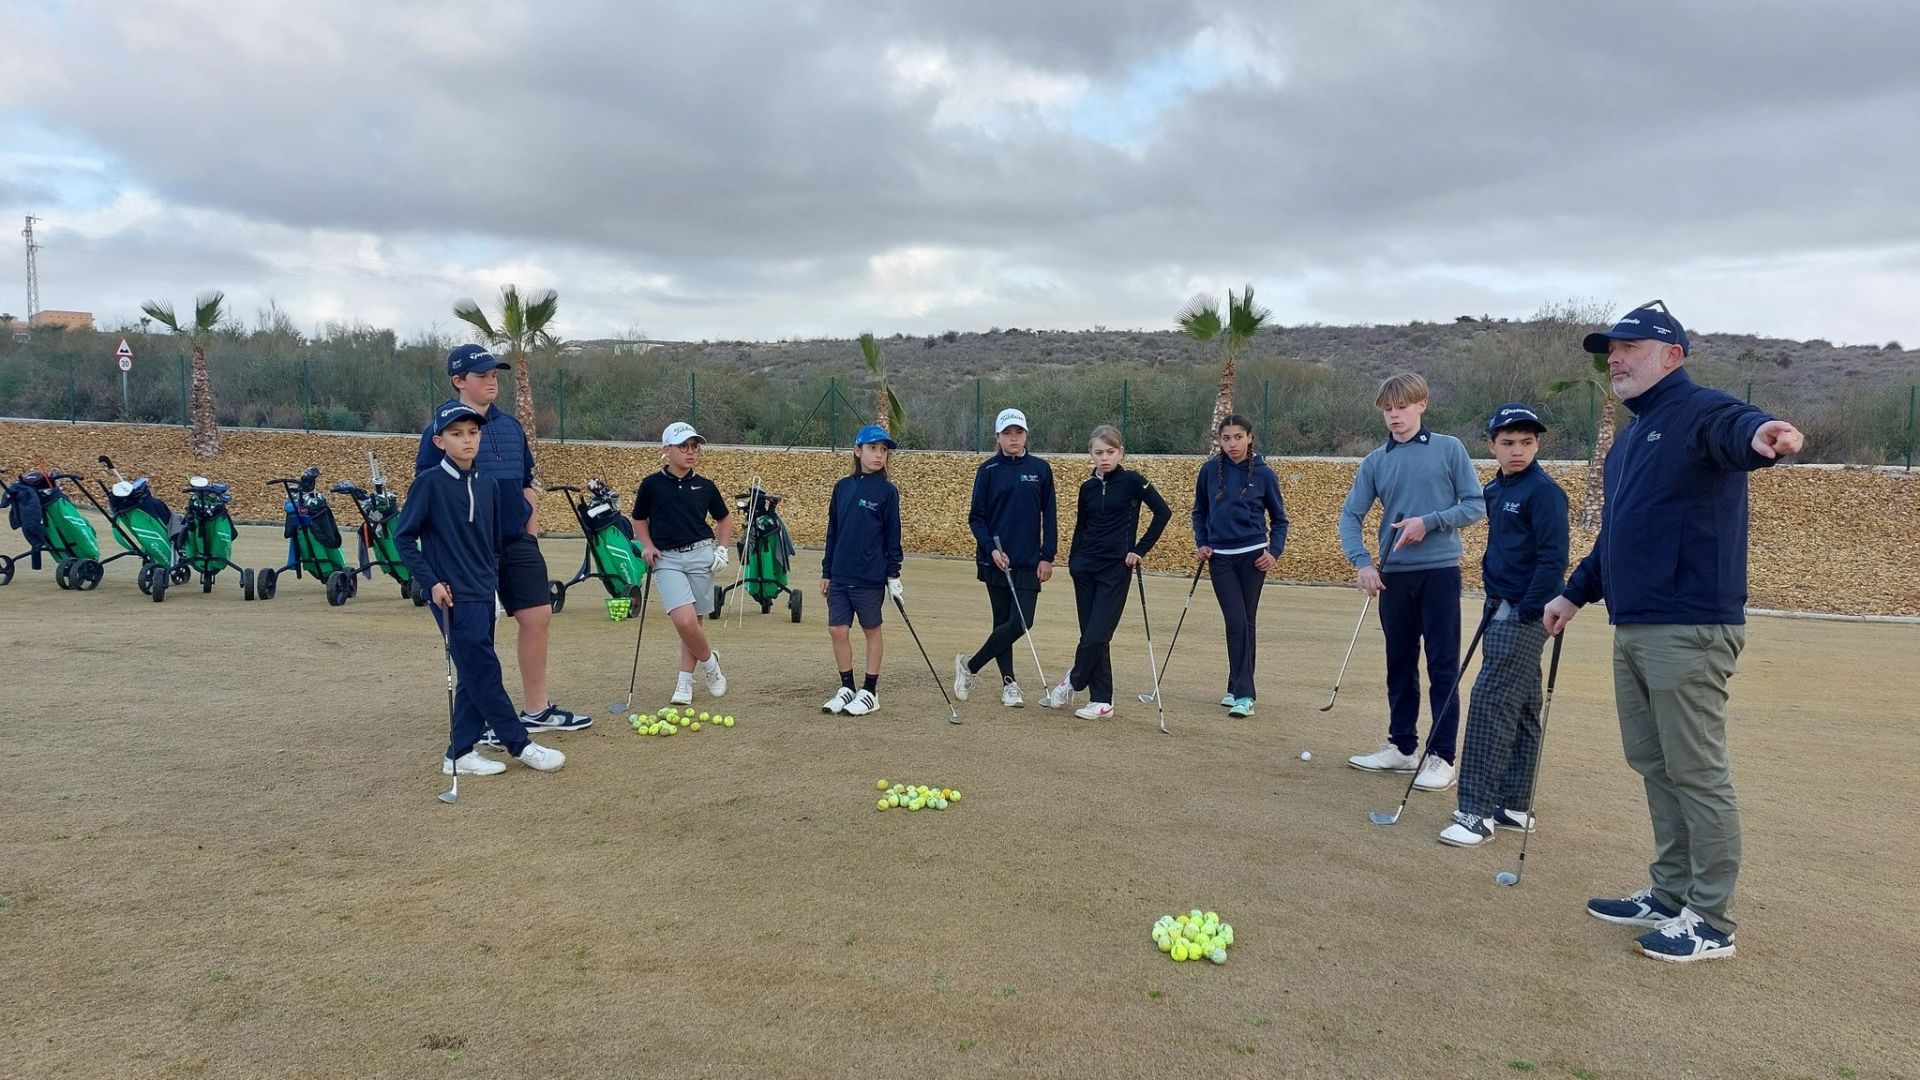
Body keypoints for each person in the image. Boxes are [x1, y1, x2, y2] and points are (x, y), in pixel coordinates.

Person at [1545, 301, 1803, 964]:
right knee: (1655, 764)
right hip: (1636, 624)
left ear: (1672, 356)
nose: (1616, 359)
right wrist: (1574, 594)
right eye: (1611, 350)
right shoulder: (1631, 439)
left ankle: (1710, 921)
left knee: (1697, 771)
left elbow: (1735, 428)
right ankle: (1669, 895)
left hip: (1690, 626)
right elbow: (1618, 534)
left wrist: (1763, 434)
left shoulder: (1700, 411)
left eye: (1630, 347)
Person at [415, 344, 589, 739]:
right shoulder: (440, 431)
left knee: (538, 616)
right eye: (482, 376)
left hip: (517, 541)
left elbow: (527, 483)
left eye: (494, 375)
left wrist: (531, 532)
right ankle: (484, 722)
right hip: (469, 552)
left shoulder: (511, 426)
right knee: (477, 638)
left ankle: (536, 710)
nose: (492, 381)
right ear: (458, 381)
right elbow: (432, 490)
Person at [396, 403, 565, 778]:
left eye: (472, 433)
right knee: (485, 670)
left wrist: (492, 585)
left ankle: (459, 753)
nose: (467, 440)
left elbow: (492, 543)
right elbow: (403, 538)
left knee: (474, 672)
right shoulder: (428, 484)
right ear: (440, 441)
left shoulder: (487, 484)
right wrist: (431, 582)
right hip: (451, 596)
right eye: (456, 434)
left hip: (483, 591)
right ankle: (520, 744)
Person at [1340, 372, 1487, 791]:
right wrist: (1363, 563)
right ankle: (1402, 747)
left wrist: (1430, 522)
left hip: (1440, 573)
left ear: (1421, 404)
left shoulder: (1449, 449)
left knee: (1442, 666)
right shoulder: (1375, 461)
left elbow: (1475, 505)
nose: (1394, 415)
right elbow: (1350, 516)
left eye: (1402, 407)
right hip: (1393, 578)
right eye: (1387, 409)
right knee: (1400, 665)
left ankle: (1442, 757)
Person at [1439, 403, 1569, 848]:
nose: (1518, 451)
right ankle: (1513, 805)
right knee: (1524, 705)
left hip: (1524, 611)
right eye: (1508, 442)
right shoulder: (1494, 490)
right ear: (1492, 445)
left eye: (1527, 443)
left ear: (1537, 445)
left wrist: (1527, 610)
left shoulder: (1544, 492)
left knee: (1490, 702)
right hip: (1499, 605)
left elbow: (1553, 559)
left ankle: (1475, 813)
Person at [1039, 425, 1172, 719]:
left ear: (1120, 452)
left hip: (1115, 569)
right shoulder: (1087, 487)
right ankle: (1102, 701)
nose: (1105, 458)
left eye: (1110, 452)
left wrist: (1139, 549)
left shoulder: (1133, 482)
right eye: (1099, 452)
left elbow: (1163, 513)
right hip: (1085, 568)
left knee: (1097, 635)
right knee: (1091, 634)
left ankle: (1072, 682)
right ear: (1091, 454)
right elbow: (1081, 526)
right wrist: (1074, 561)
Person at [954, 408, 1057, 707]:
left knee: (1021, 622)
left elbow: (1050, 516)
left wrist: (1047, 555)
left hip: (1029, 560)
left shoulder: (1040, 469)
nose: (1013, 438)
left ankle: (969, 665)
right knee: (1002, 621)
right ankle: (1009, 684)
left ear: (1026, 435)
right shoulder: (988, 470)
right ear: (998, 436)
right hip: (996, 559)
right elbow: (976, 518)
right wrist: (992, 549)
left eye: (1018, 432)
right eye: (1007, 433)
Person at [1189, 414, 1290, 718]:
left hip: (1253, 558)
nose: (1232, 444)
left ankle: (1242, 692)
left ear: (1249, 438)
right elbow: (1199, 512)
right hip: (1220, 558)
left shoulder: (1264, 474)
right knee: (1236, 620)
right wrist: (1202, 542)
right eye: (1226, 438)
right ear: (1219, 441)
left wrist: (1274, 552)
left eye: (1238, 437)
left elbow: (1280, 519)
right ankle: (1239, 687)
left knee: (1245, 621)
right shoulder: (1209, 471)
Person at [633, 422, 733, 707]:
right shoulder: (651, 485)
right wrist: (647, 545)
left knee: (694, 623)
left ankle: (684, 681)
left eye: (694, 447)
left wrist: (722, 549)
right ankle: (711, 664)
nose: (690, 452)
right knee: (684, 621)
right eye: (683, 447)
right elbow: (638, 519)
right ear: (667, 450)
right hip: (667, 558)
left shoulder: (706, 486)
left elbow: (724, 519)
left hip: (701, 555)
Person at [820, 425, 904, 716]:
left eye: (883, 450)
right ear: (857, 451)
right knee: (837, 629)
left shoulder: (887, 492)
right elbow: (833, 532)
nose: (879, 455)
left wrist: (894, 575)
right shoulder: (842, 487)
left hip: (869, 576)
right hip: (840, 574)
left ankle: (870, 691)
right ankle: (847, 686)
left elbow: (893, 536)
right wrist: (827, 571)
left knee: (871, 630)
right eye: (872, 448)